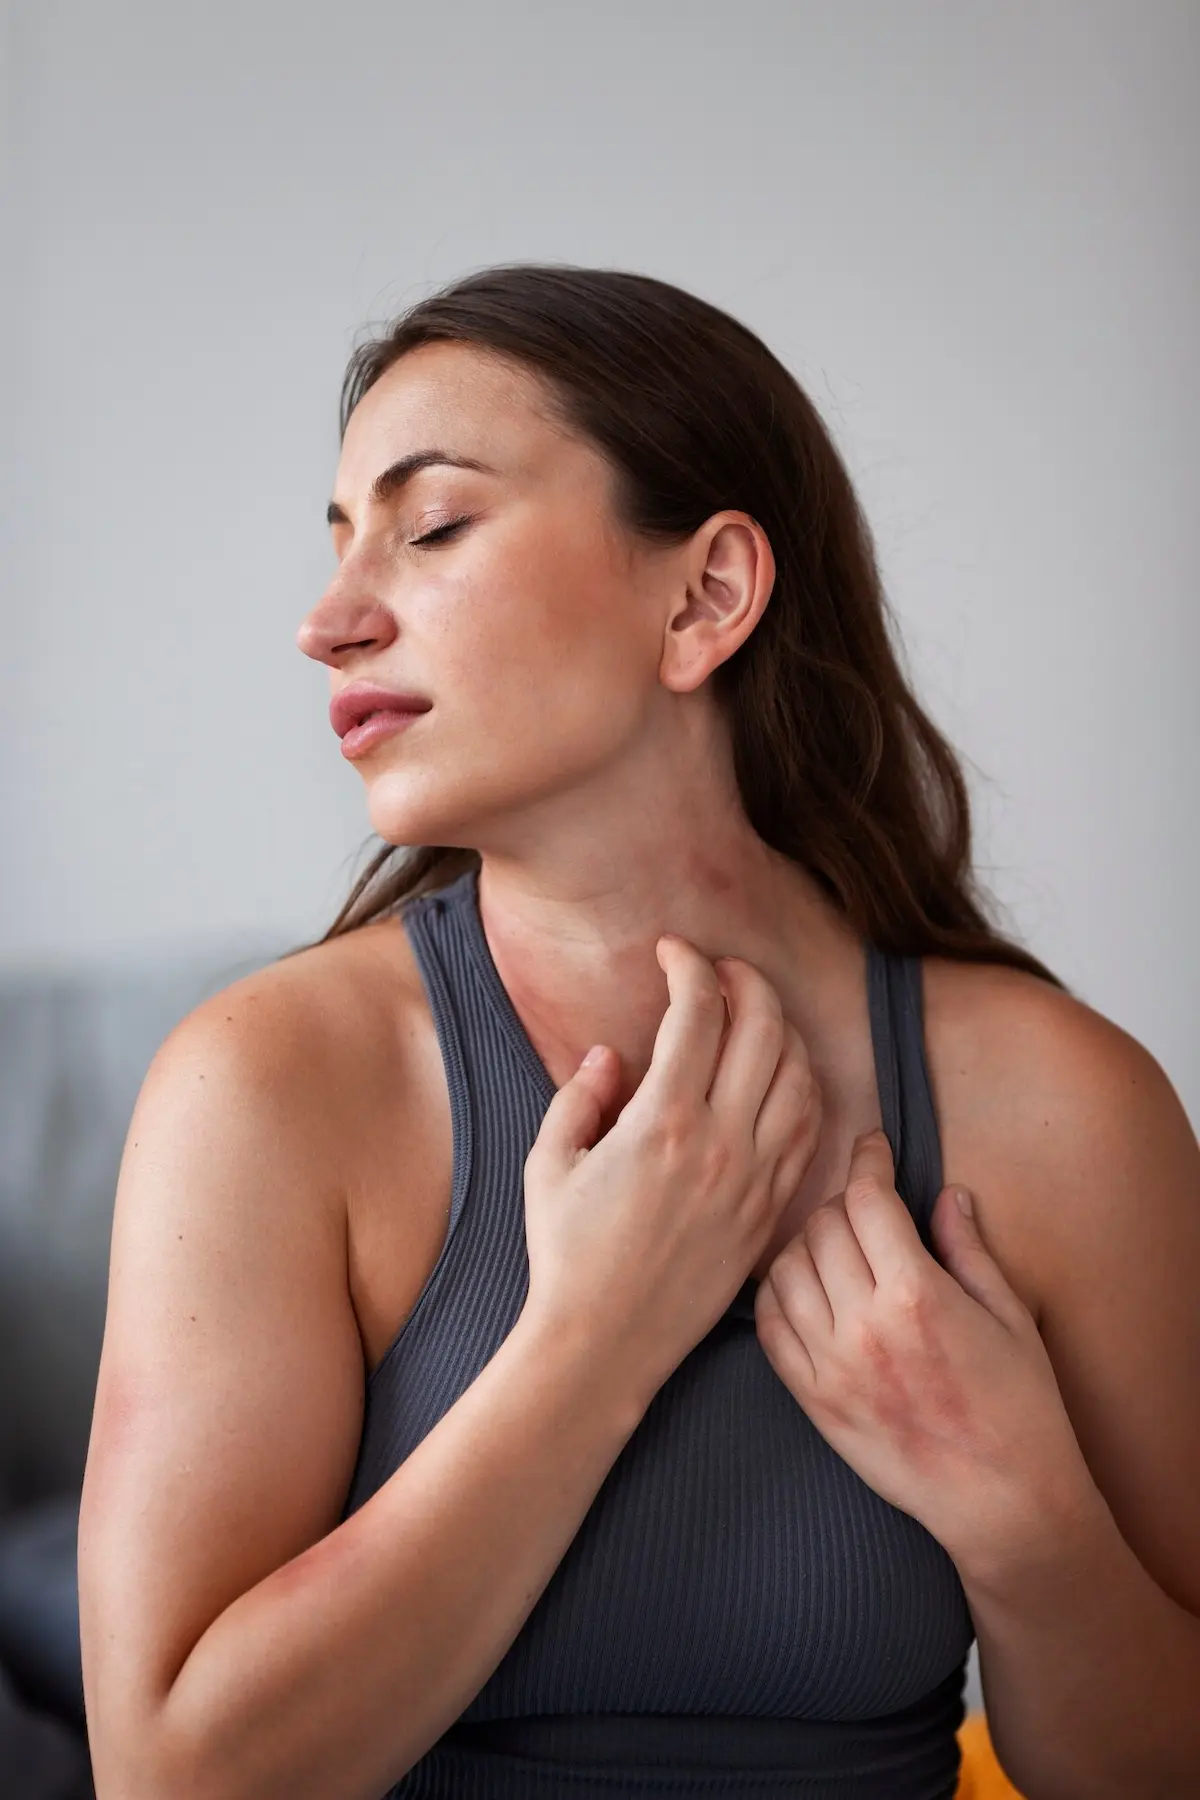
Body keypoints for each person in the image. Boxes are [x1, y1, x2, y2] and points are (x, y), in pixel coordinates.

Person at [78, 265, 1200, 1800]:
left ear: (706, 596)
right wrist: (594, 1339)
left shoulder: (1062, 1109)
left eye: (435, 526)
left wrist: (1024, 1517)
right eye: (339, 545)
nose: (328, 623)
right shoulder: (265, 1090)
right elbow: (176, 1780)